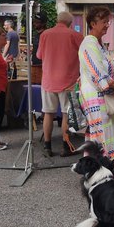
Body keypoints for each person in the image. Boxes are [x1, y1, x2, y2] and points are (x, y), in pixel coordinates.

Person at [36, 11, 84, 157]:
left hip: (48, 80)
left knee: (48, 113)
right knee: (65, 114)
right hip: (68, 81)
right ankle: (66, 146)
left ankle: (47, 146)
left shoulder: (45, 34)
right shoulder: (75, 35)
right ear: (70, 23)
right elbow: (84, 55)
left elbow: (39, 56)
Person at [78, 6, 114, 159]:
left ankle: (104, 166)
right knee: (101, 132)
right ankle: (101, 166)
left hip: (102, 95)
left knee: (104, 132)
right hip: (96, 95)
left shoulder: (98, 44)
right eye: (104, 22)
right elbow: (97, 72)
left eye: (107, 22)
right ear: (92, 24)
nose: (107, 25)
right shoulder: (89, 44)